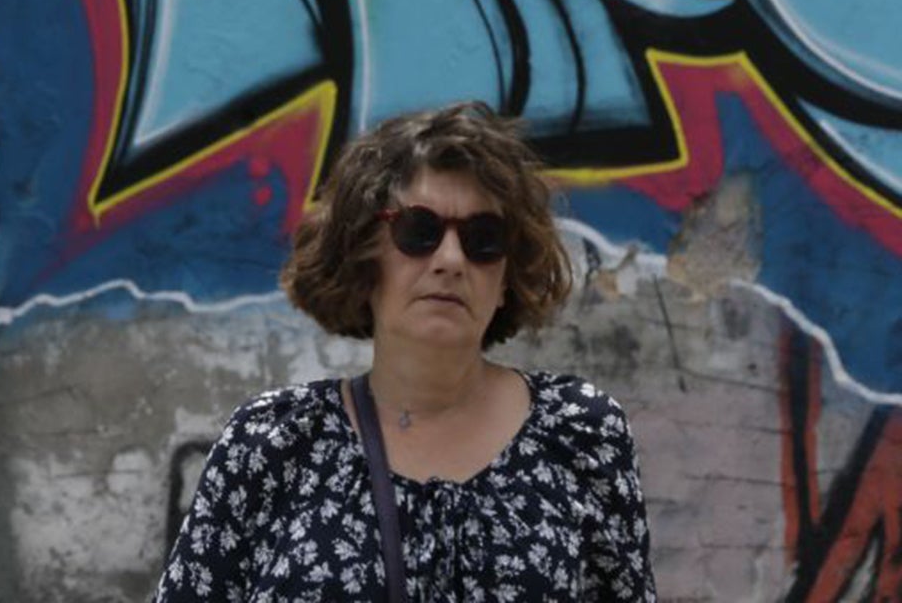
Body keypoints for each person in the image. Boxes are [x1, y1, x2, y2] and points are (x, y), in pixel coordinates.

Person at [153, 101, 655, 601]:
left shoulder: (578, 435)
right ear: (363, 256)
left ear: (506, 277)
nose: (452, 260)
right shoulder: (275, 444)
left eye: (484, 239)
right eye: (419, 231)